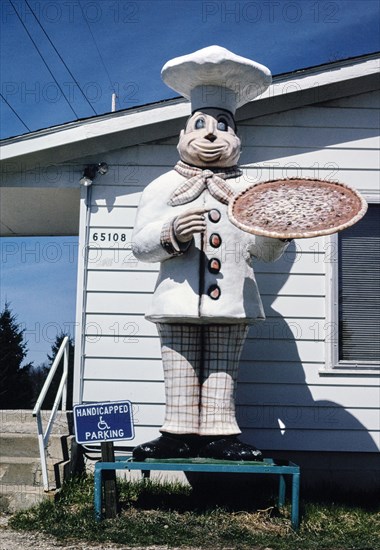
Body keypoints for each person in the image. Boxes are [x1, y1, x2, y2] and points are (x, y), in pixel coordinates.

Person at [131, 46, 291, 460]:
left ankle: (220, 434)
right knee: (179, 365)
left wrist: (279, 234)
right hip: (177, 297)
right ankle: (178, 432)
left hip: (234, 299)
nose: (210, 133)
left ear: (237, 138)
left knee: (223, 369)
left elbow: (264, 251)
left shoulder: (249, 190)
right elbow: (140, 245)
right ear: (182, 135)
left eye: (222, 125)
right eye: (200, 124)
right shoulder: (162, 187)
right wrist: (171, 232)